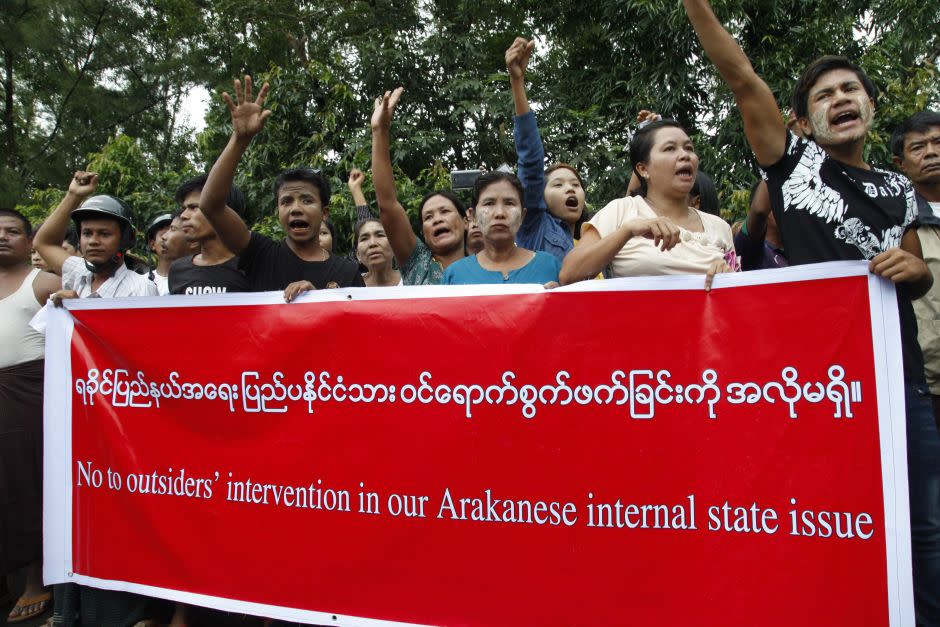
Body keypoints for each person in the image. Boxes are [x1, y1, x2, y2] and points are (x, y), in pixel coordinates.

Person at [682, 1, 938, 621]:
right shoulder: (791, 167)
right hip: (821, 388)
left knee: (925, 528)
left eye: (852, 88)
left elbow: (916, 271)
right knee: (831, 520)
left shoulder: (900, 188)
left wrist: (916, 270)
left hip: (900, 384)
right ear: (799, 121)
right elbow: (741, 76)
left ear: (870, 107)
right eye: (824, 94)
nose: (841, 97)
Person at [198, 75, 363, 302]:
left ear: (325, 212)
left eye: (306, 200)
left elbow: (359, 329)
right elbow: (210, 205)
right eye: (286, 201)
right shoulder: (260, 254)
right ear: (278, 211)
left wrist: (319, 301)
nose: (295, 208)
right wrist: (240, 140)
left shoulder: (347, 272)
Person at [560, 119, 735, 289]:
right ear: (643, 169)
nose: (685, 155)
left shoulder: (720, 227)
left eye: (689, 148)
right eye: (669, 148)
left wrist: (729, 278)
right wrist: (627, 231)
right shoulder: (621, 210)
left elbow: (740, 297)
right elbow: (569, 274)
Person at [0, 209, 60, 624]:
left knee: (26, 485)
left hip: (27, 398)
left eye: (12, 232)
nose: (2, 237)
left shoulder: (42, 284)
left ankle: (36, 580)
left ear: (28, 240)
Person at [371, 87, 468, 285]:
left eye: (445, 212)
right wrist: (379, 131)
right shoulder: (417, 262)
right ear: (423, 232)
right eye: (428, 217)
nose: (437, 220)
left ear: (466, 221)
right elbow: (388, 206)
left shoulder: (487, 265)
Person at [506, 37, 586, 261]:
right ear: (539, 195)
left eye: (575, 185)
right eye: (558, 185)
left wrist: (648, 131)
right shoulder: (535, 225)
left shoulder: (593, 240)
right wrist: (517, 82)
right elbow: (531, 159)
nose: (570, 189)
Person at [33, 172, 158, 300]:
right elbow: (44, 243)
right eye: (87, 233)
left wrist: (79, 310)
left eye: (104, 234)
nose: (93, 241)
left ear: (125, 239)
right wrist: (74, 195)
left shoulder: (141, 288)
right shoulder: (78, 272)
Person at [893, 111, 940, 428]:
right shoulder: (895, 223)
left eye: (938, 143)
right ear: (901, 163)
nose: (932, 152)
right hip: (927, 378)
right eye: (919, 147)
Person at [443, 171, 560, 285]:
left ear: (522, 216)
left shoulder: (550, 266)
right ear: (473, 216)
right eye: (489, 203)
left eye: (509, 203)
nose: (499, 213)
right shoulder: (454, 275)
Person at [168, 175, 250, 296]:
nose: (183, 215)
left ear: (223, 211)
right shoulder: (177, 270)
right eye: (184, 208)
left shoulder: (253, 268)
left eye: (193, 207)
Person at [733, 180, 788, 270]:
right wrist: (774, 171)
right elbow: (759, 211)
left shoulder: (799, 251)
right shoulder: (751, 249)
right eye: (780, 202)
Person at [355, 218, 401, 287]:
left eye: (380, 235)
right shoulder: (351, 283)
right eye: (364, 238)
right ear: (358, 255)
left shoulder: (413, 280)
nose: (372, 243)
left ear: (394, 247)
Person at [145, 212, 174, 294]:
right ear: (152, 244)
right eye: (163, 234)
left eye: (173, 233)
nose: (168, 238)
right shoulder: (142, 282)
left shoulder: (192, 280)